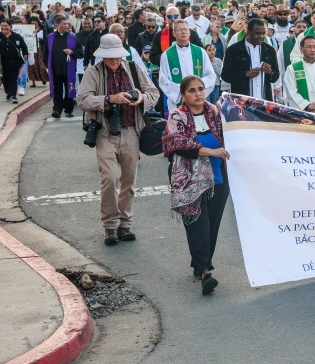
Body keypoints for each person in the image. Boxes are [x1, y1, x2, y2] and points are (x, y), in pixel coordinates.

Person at [76, 34, 160, 245]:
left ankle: (125, 224)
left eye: (117, 57)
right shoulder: (93, 72)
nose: (114, 61)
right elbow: (82, 100)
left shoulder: (133, 68)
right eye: (110, 57)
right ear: (102, 56)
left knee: (128, 182)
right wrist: (109, 99)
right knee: (110, 178)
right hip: (104, 132)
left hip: (131, 130)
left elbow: (153, 93)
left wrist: (140, 99)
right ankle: (110, 226)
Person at [162, 75, 229, 295]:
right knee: (198, 225)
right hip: (190, 182)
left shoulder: (215, 112)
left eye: (201, 89)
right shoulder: (177, 116)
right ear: (183, 95)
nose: (198, 93)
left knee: (212, 224)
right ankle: (205, 272)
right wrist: (211, 151)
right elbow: (178, 144)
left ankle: (200, 262)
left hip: (218, 179)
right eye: (192, 90)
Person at [159, 20, 216, 113]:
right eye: (180, 30)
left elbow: (210, 76)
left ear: (189, 32)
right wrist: (183, 93)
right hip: (178, 101)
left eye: (185, 29)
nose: (183, 32)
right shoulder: (166, 55)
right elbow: (163, 80)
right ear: (174, 33)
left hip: (198, 100)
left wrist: (197, 91)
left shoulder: (200, 52)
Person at [221, 18, 279, 100]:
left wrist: (270, 72)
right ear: (248, 32)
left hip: (264, 102)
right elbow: (225, 75)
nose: (261, 36)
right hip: (242, 103)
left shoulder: (269, 50)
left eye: (263, 33)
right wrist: (245, 74)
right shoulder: (234, 50)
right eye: (257, 33)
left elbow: (276, 76)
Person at [43, 16, 82, 117]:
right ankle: (57, 110)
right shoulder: (51, 37)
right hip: (55, 69)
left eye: (67, 24)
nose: (66, 26)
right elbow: (46, 52)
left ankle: (69, 110)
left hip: (68, 69)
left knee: (70, 89)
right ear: (57, 25)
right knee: (57, 90)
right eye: (64, 24)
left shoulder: (72, 37)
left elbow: (80, 52)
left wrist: (72, 52)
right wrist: (47, 65)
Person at [0, 19, 28, 104]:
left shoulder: (17, 36)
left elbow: (24, 49)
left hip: (14, 62)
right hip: (2, 63)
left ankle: (13, 95)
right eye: (2, 26)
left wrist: (24, 60)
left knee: (13, 78)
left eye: (6, 26)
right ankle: (8, 93)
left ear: (10, 26)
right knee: (5, 79)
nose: (4, 27)